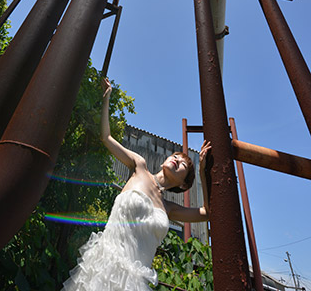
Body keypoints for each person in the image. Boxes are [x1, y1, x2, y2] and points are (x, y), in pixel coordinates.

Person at [62, 78, 211, 291]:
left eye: (183, 165)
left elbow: (206, 213)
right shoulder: (139, 166)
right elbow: (106, 137)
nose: (177, 159)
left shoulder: (169, 208)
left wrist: (203, 172)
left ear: (183, 184)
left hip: (134, 284)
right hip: (104, 271)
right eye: (176, 156)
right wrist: (107, 99)